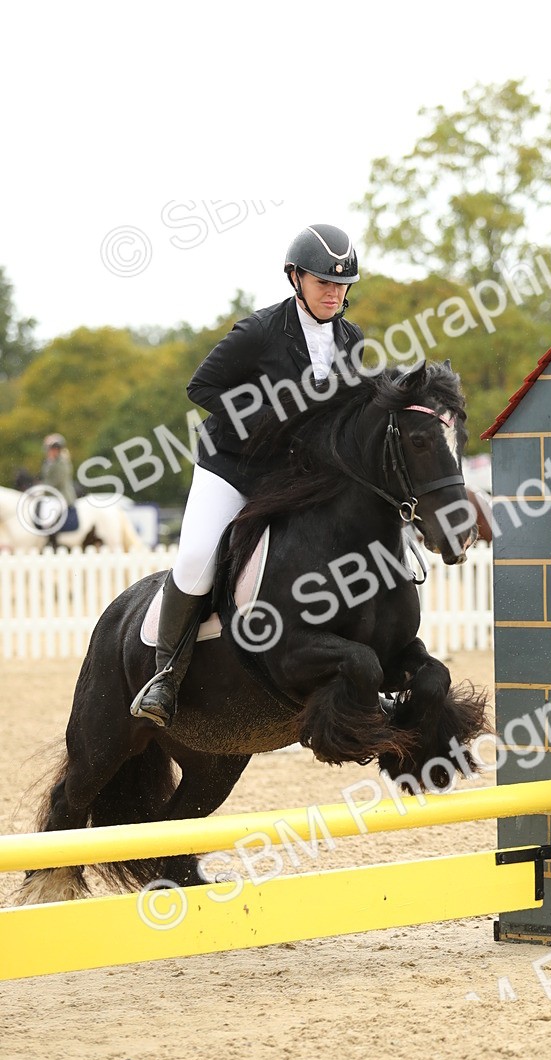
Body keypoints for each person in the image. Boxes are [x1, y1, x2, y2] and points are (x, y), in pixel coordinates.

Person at [130, 223, 363, 727]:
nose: (334, 293)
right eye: (324, 282)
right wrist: (266, 417)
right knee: (195, 558)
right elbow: (202, 386)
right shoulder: (259, 331)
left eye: (342, 285)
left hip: (295, 475)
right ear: (295, 278)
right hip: (232, 466)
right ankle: (165, 675)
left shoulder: (350, 339)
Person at [39, 434, 79, 533]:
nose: (53, 451)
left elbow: (57, 481)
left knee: (46, 518)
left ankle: (49, 536)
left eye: (55, 448)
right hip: (51, 494)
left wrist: (41, 489)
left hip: (61, 495)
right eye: (51, 448)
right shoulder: (49, 462)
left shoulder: (62, 462)